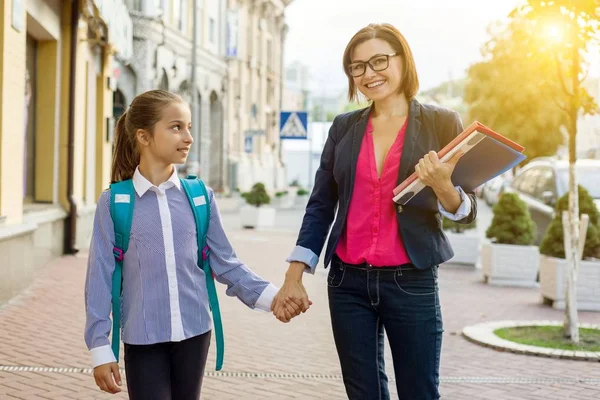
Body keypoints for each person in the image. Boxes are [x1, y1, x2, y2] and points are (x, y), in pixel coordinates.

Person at [272, 23, 477, 400]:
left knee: (420, 392)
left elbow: (467, 210)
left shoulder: (441, 123)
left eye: (379, 61)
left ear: (403, 60)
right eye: (357, 66)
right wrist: (294, 273)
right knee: (363, 393)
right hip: (347, 284)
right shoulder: (344, 127)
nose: (369, 74)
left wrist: (444, 186)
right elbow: (320, 204)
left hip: (411, 281)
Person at [84, 90, 301, 399]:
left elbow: (226, 264)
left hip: (195, 334)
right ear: (144, 137)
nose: (188, 137)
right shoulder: (114, 202)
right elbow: (99, 280)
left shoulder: (199, 197)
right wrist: (100, 348)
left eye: (188, 127)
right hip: (142, 338)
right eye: (176, 127)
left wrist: (273, 298)